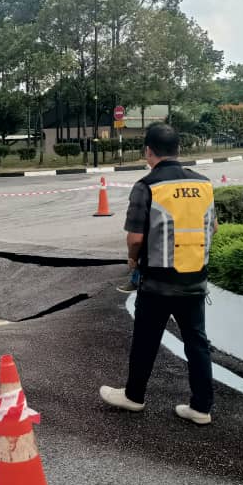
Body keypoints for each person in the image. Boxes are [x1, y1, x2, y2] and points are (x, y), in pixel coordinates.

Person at [100, 123, 218, 425]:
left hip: (158, 282)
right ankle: (201, 408)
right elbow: (213, 228)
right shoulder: (204, 184)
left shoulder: (147, 186)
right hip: (194, 278)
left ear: (148, 151)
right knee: (197, 342)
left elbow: (136, 237)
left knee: (146, 340)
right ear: (179, 150)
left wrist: (132, 261)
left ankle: (134, 396)